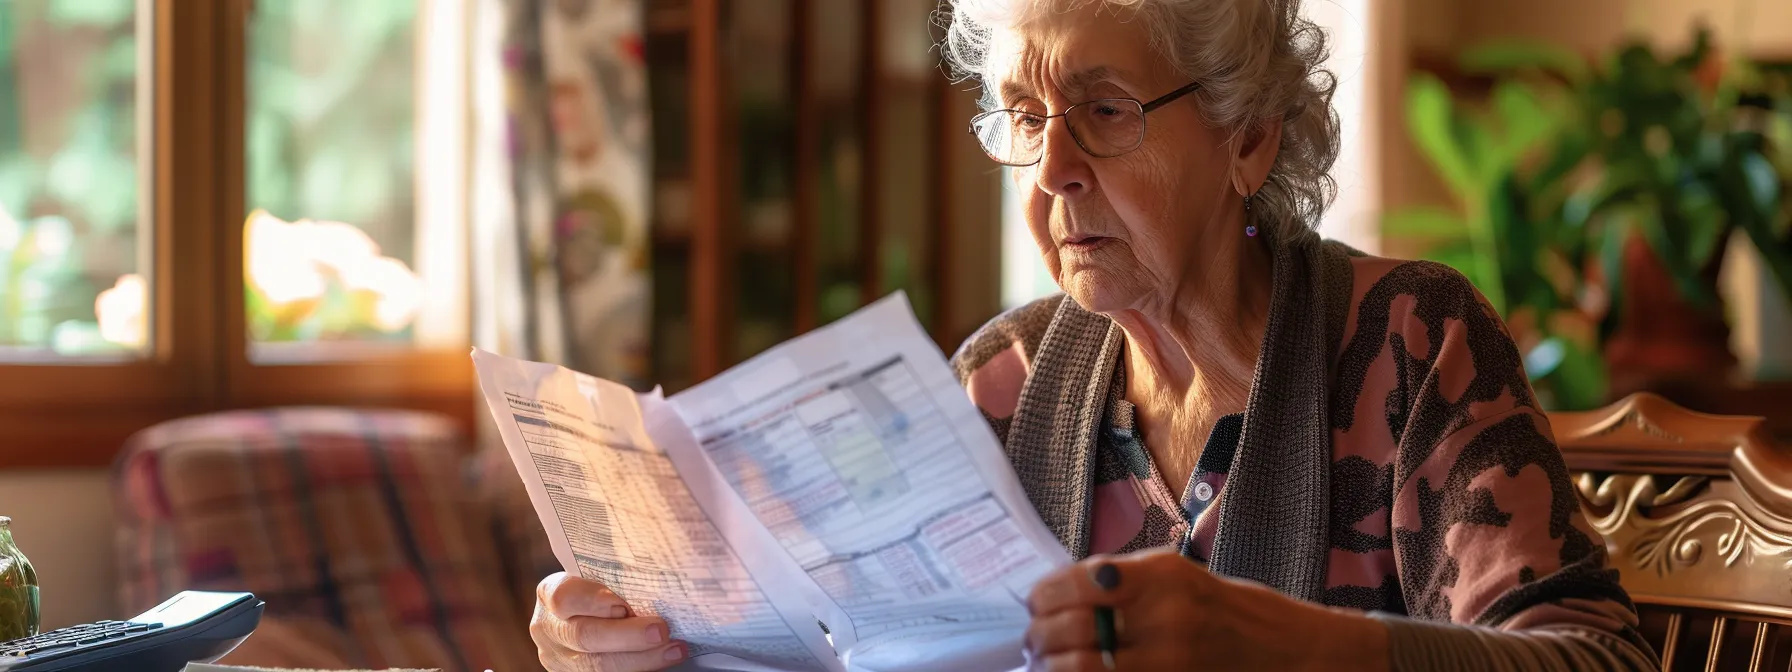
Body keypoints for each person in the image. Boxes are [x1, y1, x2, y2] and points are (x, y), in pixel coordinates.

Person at [528, 0, 1661, 670]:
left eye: (1106, 112)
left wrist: (1278, 647)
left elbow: (1597, 663)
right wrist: (650, 644)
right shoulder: (1004, 383)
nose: (1054, 171)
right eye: (1027, 120)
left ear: (1249, 141)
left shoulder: (1405, 343)